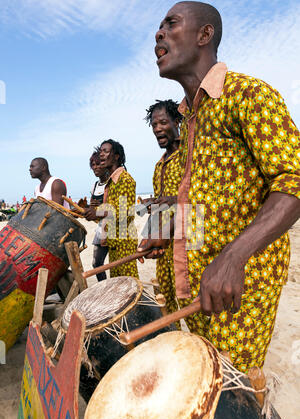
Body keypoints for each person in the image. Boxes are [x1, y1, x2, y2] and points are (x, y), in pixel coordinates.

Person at [138, 1, 300, 373]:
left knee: (227, 392)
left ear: (204, 34)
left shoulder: (247, 94)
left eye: (171, 24)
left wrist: (233, 257)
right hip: (197, 284)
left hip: (239, 290)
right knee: (198, 378)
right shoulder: (192, 118)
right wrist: (172, 229)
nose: (158, 33)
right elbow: (208, 201)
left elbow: (293, 179)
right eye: (159, 27)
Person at [142, 99, 184, 314]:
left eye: (162, 122)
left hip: (186, 247)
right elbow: (161, 207)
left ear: (177, 121)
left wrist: (174, 200)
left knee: (190, 305)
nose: (157, 128)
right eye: (153, 125)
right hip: (162, 249)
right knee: (166, 306)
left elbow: (202, 198)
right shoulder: (159, 165)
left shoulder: (189, 156)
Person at [84, 139, 139, 278]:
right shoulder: (111, 182)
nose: (101, 154)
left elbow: (123, 212)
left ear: (116, 156)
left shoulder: (125, 179)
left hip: (124, 242)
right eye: (101, 151)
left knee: (129, 282)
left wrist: (96, 212)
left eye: (106, 151)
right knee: (118, 283)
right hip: (114, 240)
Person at [89, 149, 110, 282]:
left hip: (114, 227)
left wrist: (98, 208)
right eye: (93, 165)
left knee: (117, 263)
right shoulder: (95, 186)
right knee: (96, 264)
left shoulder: (112, 183)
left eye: (98, 164)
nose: (95, 167)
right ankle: (104, 288)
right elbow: (94, 211)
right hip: (101, 228)